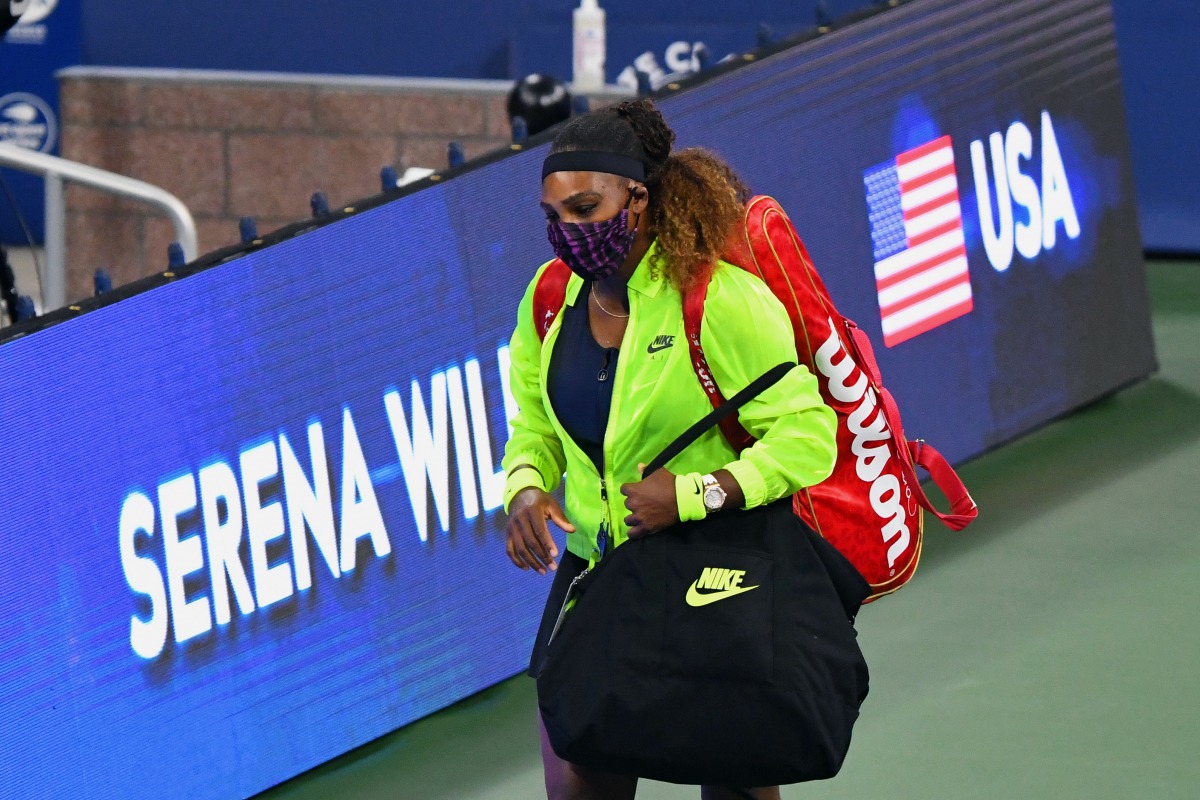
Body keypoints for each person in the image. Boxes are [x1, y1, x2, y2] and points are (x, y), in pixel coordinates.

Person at [501, 99, 839, 800]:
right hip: (604, 582)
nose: (568, 232)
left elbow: (808, 434)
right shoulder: (549, 299)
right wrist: (528, 487)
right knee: (578, 768)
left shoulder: (719, 301)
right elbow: (533, 422)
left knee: (736, 779)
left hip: (715, 585)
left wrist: (694, 493)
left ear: (639, 198)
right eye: (553, 215)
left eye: (587, 209)